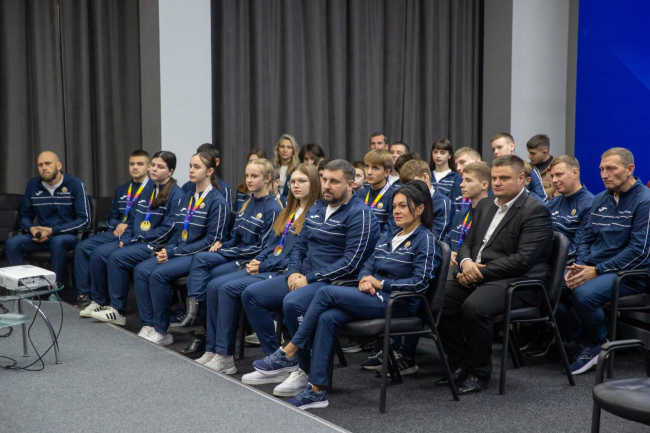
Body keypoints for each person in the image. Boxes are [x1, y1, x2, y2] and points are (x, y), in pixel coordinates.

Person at [250, 181, 439, 409]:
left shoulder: (426, 239)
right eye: (395, 206)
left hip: (396, 304)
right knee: (327, 317)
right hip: (372, 296)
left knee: (325, 292)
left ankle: (290, 351)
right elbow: (368, 263)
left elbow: (420, 283)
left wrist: (381, 283)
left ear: (419, 209)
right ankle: (316, 390)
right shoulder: (391, 234)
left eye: (403, 206)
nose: (396, 211)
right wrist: (365, 279)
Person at [241, 160, 380, 397]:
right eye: (324, 179)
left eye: (334, 181)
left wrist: (310, 278)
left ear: (351, 184)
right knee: (251, 295)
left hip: (332, 282)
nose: (326, 185)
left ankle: (303, 370)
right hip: (302, 275)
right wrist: (294, 272)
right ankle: (280, 362)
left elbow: (351, 263)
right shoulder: (316, 207)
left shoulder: (361, 214)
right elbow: (299, 246)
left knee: (293, 302)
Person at [437, 154, 553, 394]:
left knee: (474, 308)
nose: (497, 183)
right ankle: (461, 362)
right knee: (437, 300)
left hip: (519, 282)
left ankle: (480, 372)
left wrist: (476, 273)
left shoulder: (535, 211)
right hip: (480, 273)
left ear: (522, 178)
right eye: (494, 178)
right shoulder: (486, 205)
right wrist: (465, 263)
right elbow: (468, 242)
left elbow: (522, 260)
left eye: (504, 178)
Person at [196, 163, 321, 372]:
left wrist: (263, 265)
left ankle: (232, 355)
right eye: (293, 181)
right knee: (214, 285)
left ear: (314, 184)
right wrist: (258, 260)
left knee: (228, 289)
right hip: (269, 266)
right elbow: (271, 246)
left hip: (284, 272)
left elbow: (295, 255)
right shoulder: (289, 211)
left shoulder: (313, 214)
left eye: (302, 181)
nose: (296, 185)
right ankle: (214, 349)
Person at [556, 148, 650, 375]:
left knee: (583, 296)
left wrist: (597, 270)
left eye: (611, 168)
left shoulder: (645, 200)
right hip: (595, 269)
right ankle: (584, 341)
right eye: (601, 169)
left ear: (629, 169)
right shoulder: (599, 199)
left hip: (630, 274)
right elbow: (586, 239)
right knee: (550, 290)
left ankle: (597, 343)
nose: (604, 174)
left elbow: (639, 251)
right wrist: (579, 267)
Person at [169, 158, 283, 334]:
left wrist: (228, 249)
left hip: (247, 259)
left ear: (268, 178)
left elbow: (262, 247)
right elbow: (235, 237)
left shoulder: (273, 208)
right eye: (247, 176)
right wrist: (222, 244)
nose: (249, 180)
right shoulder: (248, 203)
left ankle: (203, 327)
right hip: (235, 252)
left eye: (254, 176)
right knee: (200, 260)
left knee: (209, 279)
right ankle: (196, 318)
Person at [130, 152, 230, 345]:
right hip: (179, 250)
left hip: (198, 255)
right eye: (190, 166)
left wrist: (173, 252)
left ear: (210, 171)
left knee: (158, 274)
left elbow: (211, 241)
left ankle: (162, 330)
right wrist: (167, 249)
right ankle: (148, 324)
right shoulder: (186, 198)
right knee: (141, 270)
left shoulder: (218, 202)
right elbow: (177, 231)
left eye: (197, 167)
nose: (191, 170)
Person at [83, 151, 184, 325]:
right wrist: (127, 237)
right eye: (153, 165)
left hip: (157, 244)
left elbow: (168, 230)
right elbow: (131, 220)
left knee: (117, 257)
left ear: (170, 171)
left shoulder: (176, 194)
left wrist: (134, 239)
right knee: (99, 253)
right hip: (137, 239)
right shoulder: (147, 190)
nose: (154, 169)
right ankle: (99, 302)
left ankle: (118, 310)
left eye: (160, 167)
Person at [525, 155, 594, 358]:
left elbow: (581, 245)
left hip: (572, 265)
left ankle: (581, 340)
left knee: (546, 289)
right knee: (528, 283)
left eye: (559, 175)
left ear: (575, 173)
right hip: (549, 264)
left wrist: (556, 266)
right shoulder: (553, 203)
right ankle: (563, 334)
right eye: (552, 176)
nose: (554, 180)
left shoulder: (589, 203)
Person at [74, 150, 150, 309]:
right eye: (132, 164)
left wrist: (127, 227)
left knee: (98, 253)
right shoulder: (122, 189)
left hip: (133, 235)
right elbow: (111, 217)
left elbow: (148, 220)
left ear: (148, 167)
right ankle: (84, 296)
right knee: (81, 247)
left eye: (140, 164)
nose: (135, 167)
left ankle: (100, 300)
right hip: (115, 232)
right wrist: (117, 225)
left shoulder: (152, 190)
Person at [6, 151, 90, 285]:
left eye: (48, 164)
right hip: (41, 236)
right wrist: (32, 229)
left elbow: (84, 220)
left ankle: (54, 289)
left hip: (66, 236)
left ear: (59, 165)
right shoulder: (33, 185)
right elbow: (25, 216)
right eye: (40, 165)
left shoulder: (75, 184)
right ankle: (25, 288)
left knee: (57, 242)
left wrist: (52, 231)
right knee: (12, 243)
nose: (44, 168)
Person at [445, 162, 491, 266]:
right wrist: (448, 254)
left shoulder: (492, 216)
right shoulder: (461, 214)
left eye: (468, 180)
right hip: (454, 268)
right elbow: (447, 242)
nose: (461, 184)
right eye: (462, 180)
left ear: (484, 185)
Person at [399, 159, 451, 240]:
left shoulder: (442, 202)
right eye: (405, 185)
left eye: (411, 183)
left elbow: (437, 235)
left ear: (425, 177)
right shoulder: (404, 201)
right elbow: (395, 229)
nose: (408, 189)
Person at [491, 133, 547, 202]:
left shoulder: (527, 169)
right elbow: (491, 198)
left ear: (512, 146)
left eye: (500, 147)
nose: (496, 152)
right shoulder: (494, 172)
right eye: (493, 149)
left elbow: (542, 199)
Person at [356, 150, 397, 234]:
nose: (369, 172)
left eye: (375, 168)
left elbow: (391, 229)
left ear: (386, 172)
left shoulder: (394, 195)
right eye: (367, 166)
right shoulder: (360, 193)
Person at [449, 147, 482, 215]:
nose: (458, 168)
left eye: (462, 162)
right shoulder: (457, 184)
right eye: (456, 165)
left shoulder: (492, 183)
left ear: (477, 161)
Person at [527, 134, 556, 199]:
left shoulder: (558, 169)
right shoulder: (527, 169)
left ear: (544, 152)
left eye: (533, 153)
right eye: (529, 153)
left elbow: (559, 198)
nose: (529, 156)